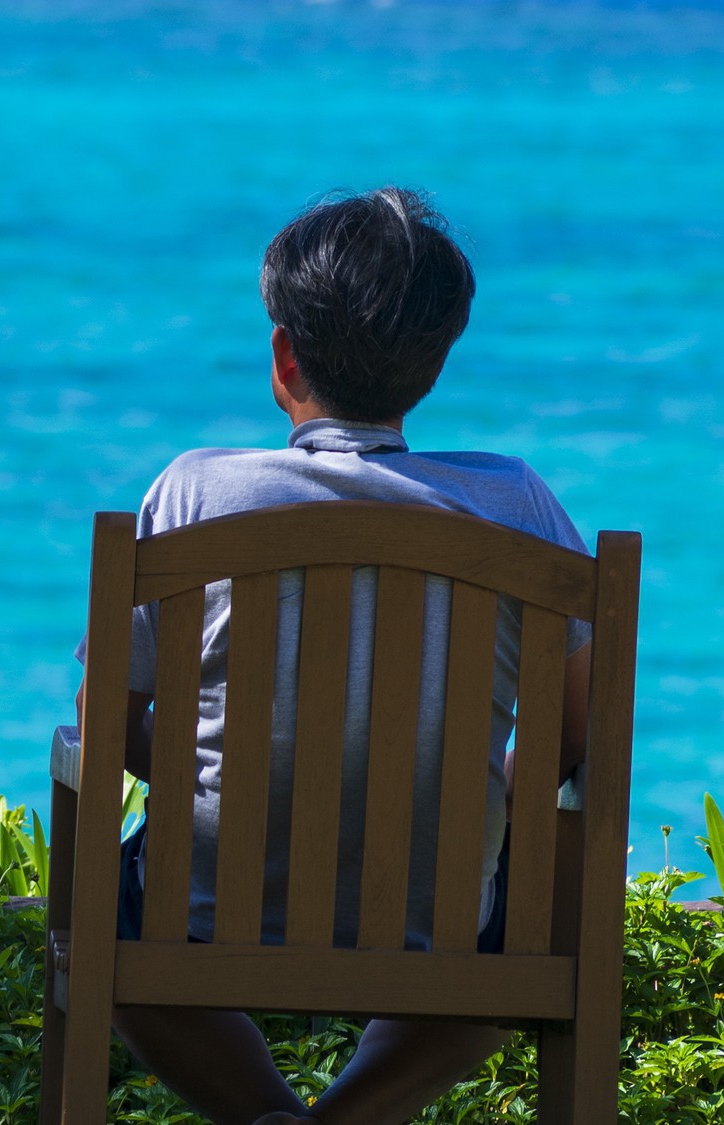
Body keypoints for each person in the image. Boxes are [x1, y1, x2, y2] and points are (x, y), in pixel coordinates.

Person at [81, 186, 594, 1125]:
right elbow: (573, 736)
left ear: (284, 358)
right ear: (438, 361)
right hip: (440, 923)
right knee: (527, 918)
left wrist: (198, 786)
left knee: (106, 921)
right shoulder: (519, 505)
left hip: (194, 911)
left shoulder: (194, 492)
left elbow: (104, 715)